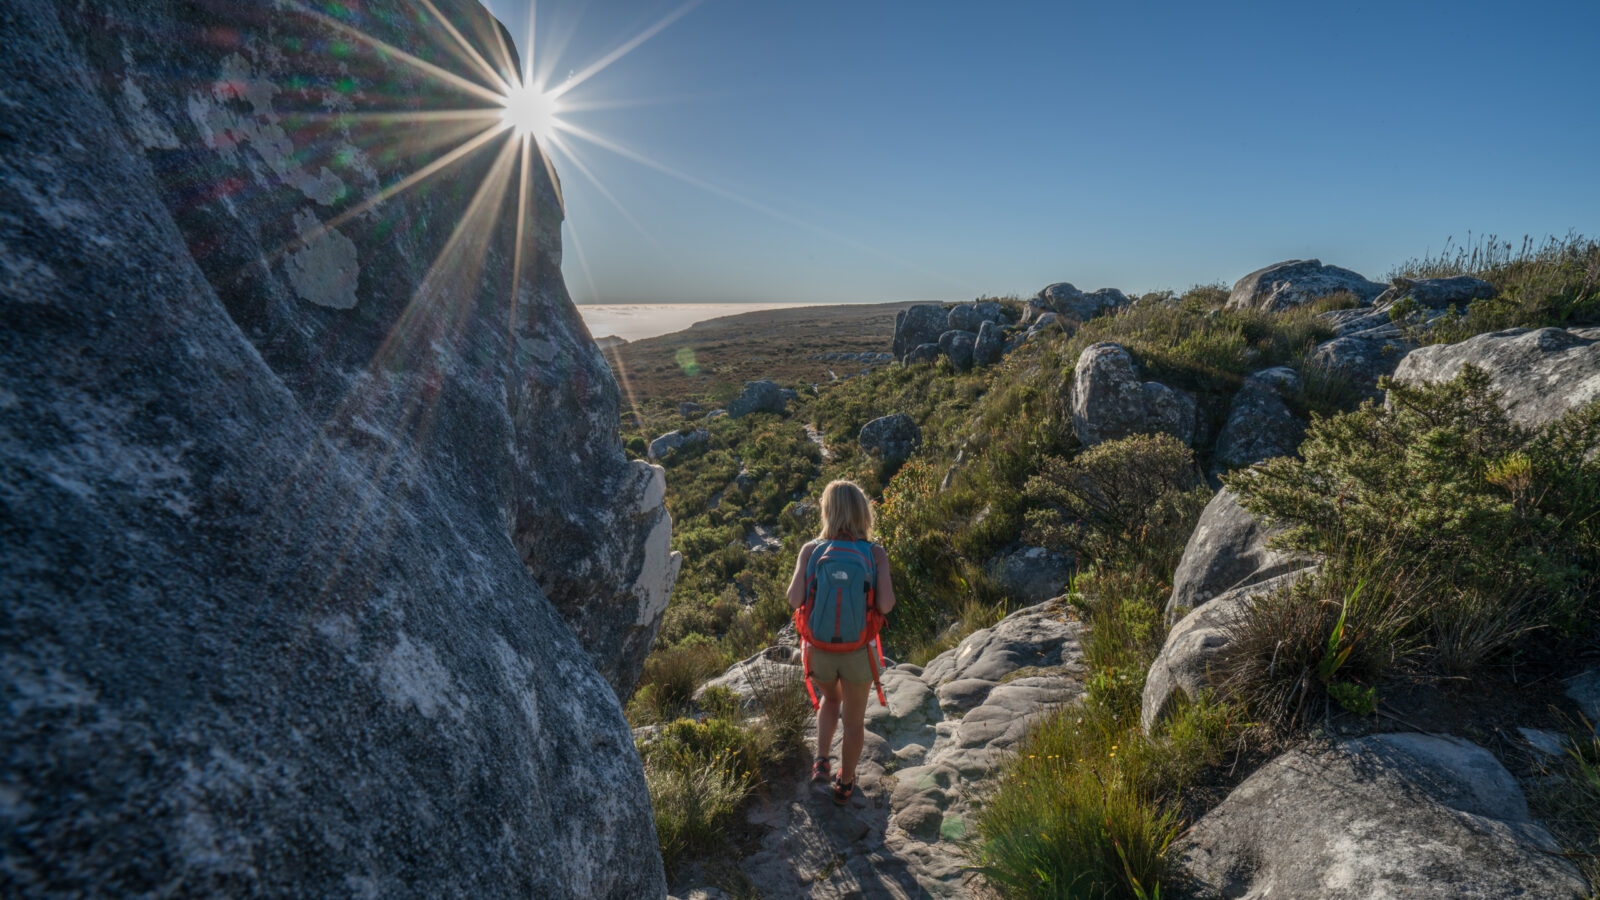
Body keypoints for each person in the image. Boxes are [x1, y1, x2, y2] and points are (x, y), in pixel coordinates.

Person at [786, 479, 896, 806]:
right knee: (853, 720)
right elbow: (886, 605)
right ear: (863, 513)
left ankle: (821, 760)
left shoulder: (811, 550)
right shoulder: (875, 553)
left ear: (827, 511)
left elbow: (794, 599)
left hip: (819, 651)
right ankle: (846, 783)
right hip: (858, 653)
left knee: (830, 701)